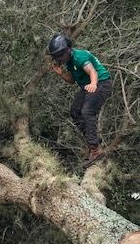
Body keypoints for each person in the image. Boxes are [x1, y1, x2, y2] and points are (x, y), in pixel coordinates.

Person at [48, 34, 112, 168]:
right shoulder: (70, 62)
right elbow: (72, 81)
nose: (59, 58)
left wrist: (94, 84)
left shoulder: (79, 57)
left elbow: (92, 71)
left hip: (101, 83)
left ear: (68, 49)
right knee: (75, 112)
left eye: (61, 54)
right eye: (57, 56)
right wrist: (60, 73)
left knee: (87, 111)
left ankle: (95, 149)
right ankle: (93, 141)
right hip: (88, 85)